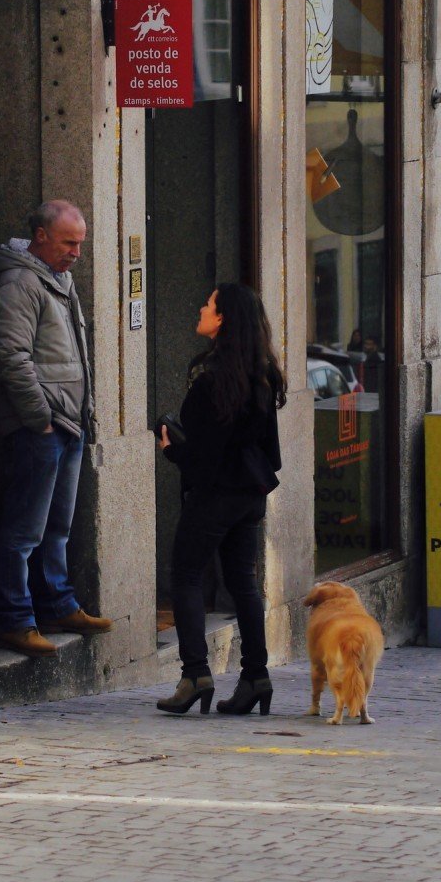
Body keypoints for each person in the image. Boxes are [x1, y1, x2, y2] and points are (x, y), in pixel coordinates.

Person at [0, 200, 113, 657]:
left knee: (57, 526)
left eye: (81, 244)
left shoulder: (56, 278)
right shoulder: (19, 282)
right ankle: (16, 619)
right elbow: (11, 357)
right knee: (25, 531)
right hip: (41, 426)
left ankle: (57, 604)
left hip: (68, 422)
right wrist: (39, 418)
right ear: (40, 236)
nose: (76, 253)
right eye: (68, 243)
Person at [155, 282, 285, 715]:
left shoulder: (211, 378)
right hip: (250, 493)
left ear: (223, 317)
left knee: (186, 575)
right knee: (243, 583)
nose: (201, 307)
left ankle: (195, 675)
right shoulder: (263, 373)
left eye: (208, 304)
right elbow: (269, 448)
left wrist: (171, 448)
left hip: (215, 495)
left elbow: (203, 453)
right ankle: (256, 677)